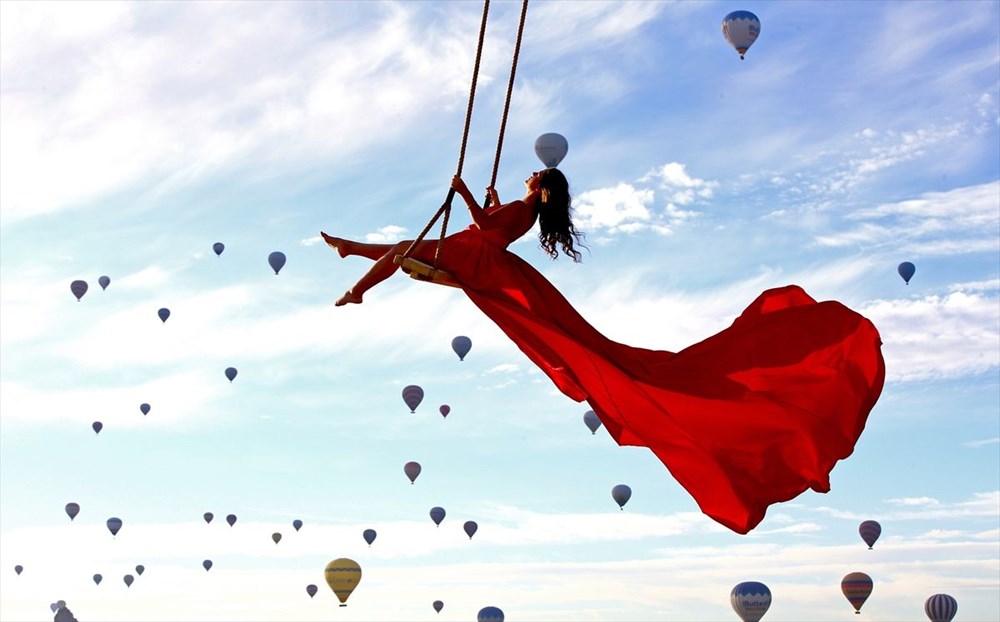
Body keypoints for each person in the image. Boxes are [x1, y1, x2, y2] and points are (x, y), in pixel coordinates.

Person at [321, 168, 885, 534]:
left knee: (404, 249)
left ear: (541, 186)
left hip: (481, 259)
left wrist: (469, 194)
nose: (529, 173)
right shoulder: (522, 207)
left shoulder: (525, 208)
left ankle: (355, 277)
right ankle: (352, 261)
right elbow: (490, 222)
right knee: (404, 249)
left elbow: (487, 227)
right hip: (482, 256)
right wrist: (481, 198)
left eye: (535, 173)